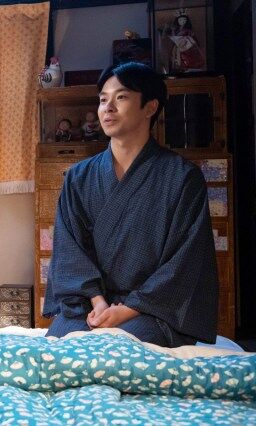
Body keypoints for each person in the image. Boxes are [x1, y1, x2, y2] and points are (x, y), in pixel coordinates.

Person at [43, 62, 218, 347]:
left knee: (113, 352)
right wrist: (98, 301)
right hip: (90, 306)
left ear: (150, 107)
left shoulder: (183, 178)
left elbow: (184, 262)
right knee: (59, 353)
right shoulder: (79, 177)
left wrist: (126, 309)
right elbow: (69, 250)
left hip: (152, 310)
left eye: (121, 97)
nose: (107, 108)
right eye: (103, 99)